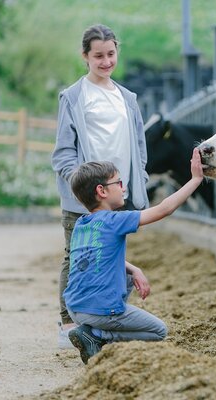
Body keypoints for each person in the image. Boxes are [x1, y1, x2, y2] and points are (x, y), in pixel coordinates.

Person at [51, 24, 150, 349]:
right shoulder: (74, 97)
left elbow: (138, 144)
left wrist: (139, 181)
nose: (106, 61)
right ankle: (68, 323)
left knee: (114, 255)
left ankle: (101, 324)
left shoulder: (127, 98)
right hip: (84, 196)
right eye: (98, 56)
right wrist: (82, 183)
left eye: (110, 54)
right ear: (85, 56)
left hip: (118, 194)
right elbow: (63, 152)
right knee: (76, 256)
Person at [64, 151, 203, 364]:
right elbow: (164, 209)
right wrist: (195, 179)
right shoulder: (114, 220)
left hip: (75, 308)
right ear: (101, 191)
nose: (123, 187)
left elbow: (94, 256)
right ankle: (98, 336)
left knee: (128, 275)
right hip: (97, 311)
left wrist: (135, 269)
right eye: (118, 182)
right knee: (158, 331)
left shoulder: (82, 224)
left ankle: (91, 330)